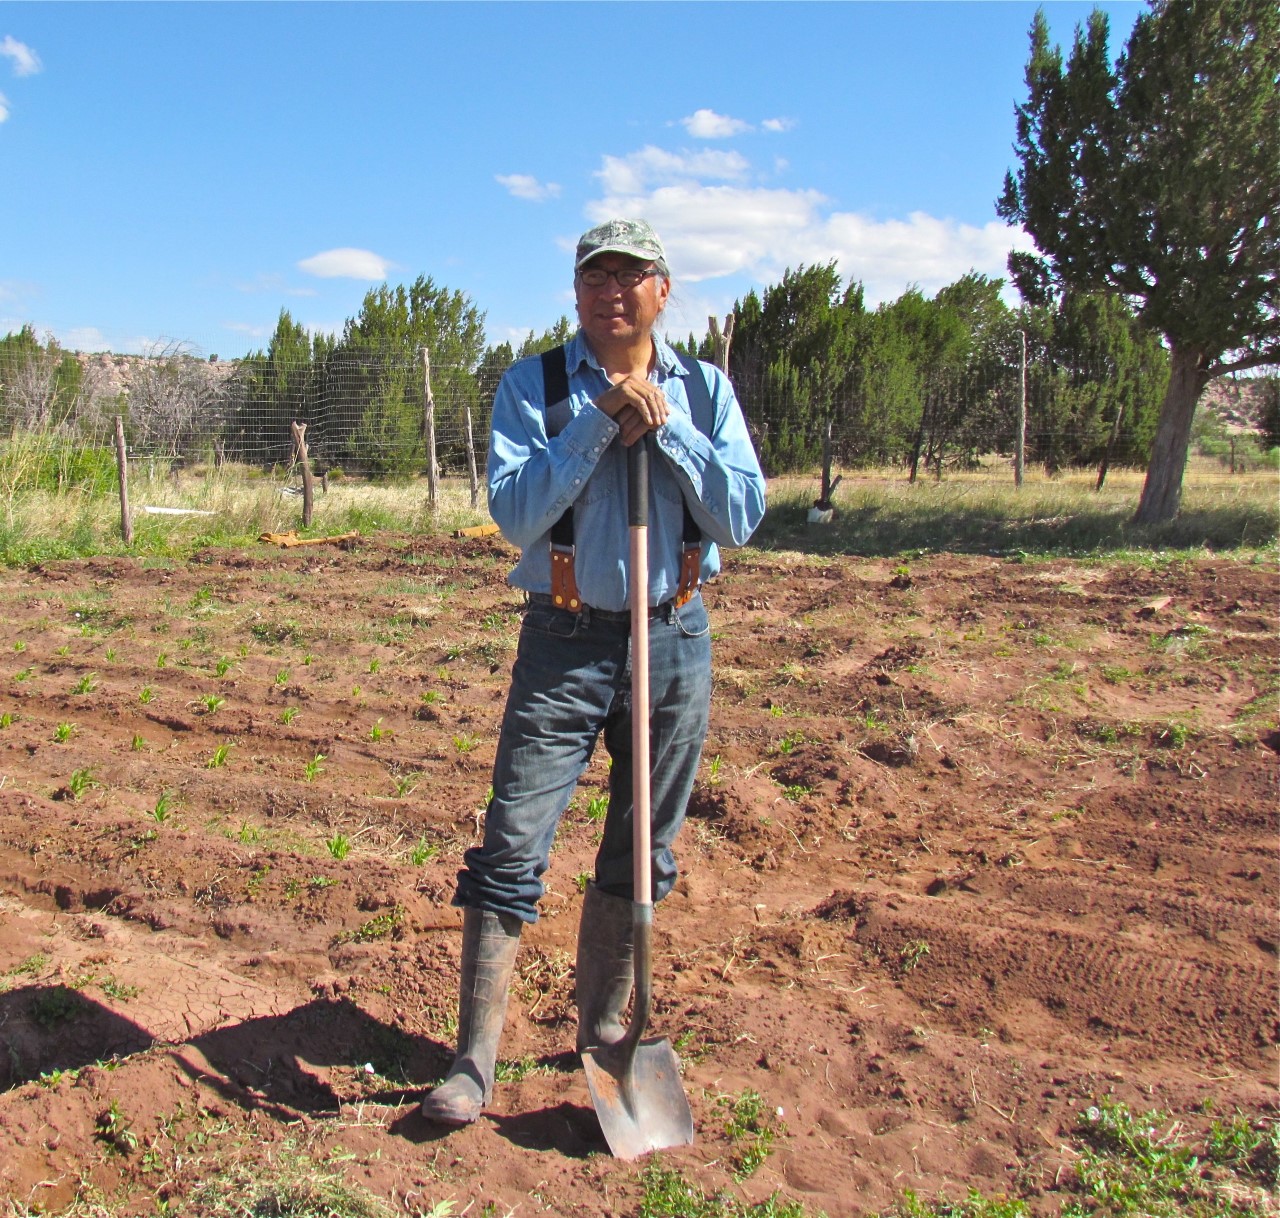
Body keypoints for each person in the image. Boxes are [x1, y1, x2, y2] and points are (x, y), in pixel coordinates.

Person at [420, 218, 766, 1125]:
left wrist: (671, 432)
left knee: (642, 849)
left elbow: (741, 515)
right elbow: (517, 514)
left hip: (675, 639)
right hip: (565, 642)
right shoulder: (532, 387)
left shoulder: (708, 389)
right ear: (575, 293)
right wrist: (595, 427)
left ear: (663, 290)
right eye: (594, 277)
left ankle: (609, 1033)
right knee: (512, 843)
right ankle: (473, 1063)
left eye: (632, 275)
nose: (612, 291)